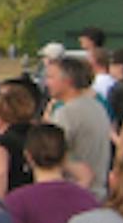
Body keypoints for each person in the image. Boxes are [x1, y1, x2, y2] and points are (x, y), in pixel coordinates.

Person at [46, 54, 114, 195]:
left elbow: (49, 155)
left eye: (51, 77)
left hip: (76, 192)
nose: (47, 83)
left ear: (68, 81)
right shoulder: (97, 106)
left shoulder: (67, 113)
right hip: (99, 191)